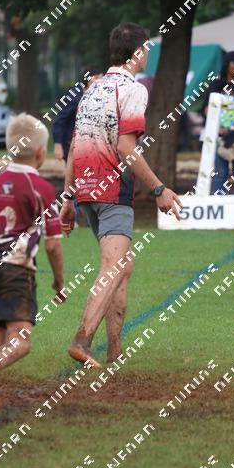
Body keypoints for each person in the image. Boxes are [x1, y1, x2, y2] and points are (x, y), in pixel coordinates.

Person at [60, 22, 182, 369]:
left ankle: (115, 349)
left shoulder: (93, 88)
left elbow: (75, 145)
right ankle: (82, 341)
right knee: (113, 266)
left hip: (86, 189)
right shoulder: (133, 89)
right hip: (112, 188)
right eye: (147, 49)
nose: (149, 55)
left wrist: (68, 197)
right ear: (138, 52)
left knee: (123, 266)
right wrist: (159, 189)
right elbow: (126, 147)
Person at [0, 114, 65, 437]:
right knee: (20, 343)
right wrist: (59, 282)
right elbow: (53, 245)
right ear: (41, 153)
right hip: (14, 269)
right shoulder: (42, 188)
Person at [202, 51, 234, 203]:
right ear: (227, 65)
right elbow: (207, 108)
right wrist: (217, 127)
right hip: (219, 136)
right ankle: (218, 207)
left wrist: (233, 127)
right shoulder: (215, 85)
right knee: (220, 174)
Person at [52, 64, 103, 163]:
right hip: (71, 144)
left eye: (101, 78)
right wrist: (58, 144)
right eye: (96, 78)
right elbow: (60, 120)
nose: (99, 81)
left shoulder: (99, 95)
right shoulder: (74, 95)